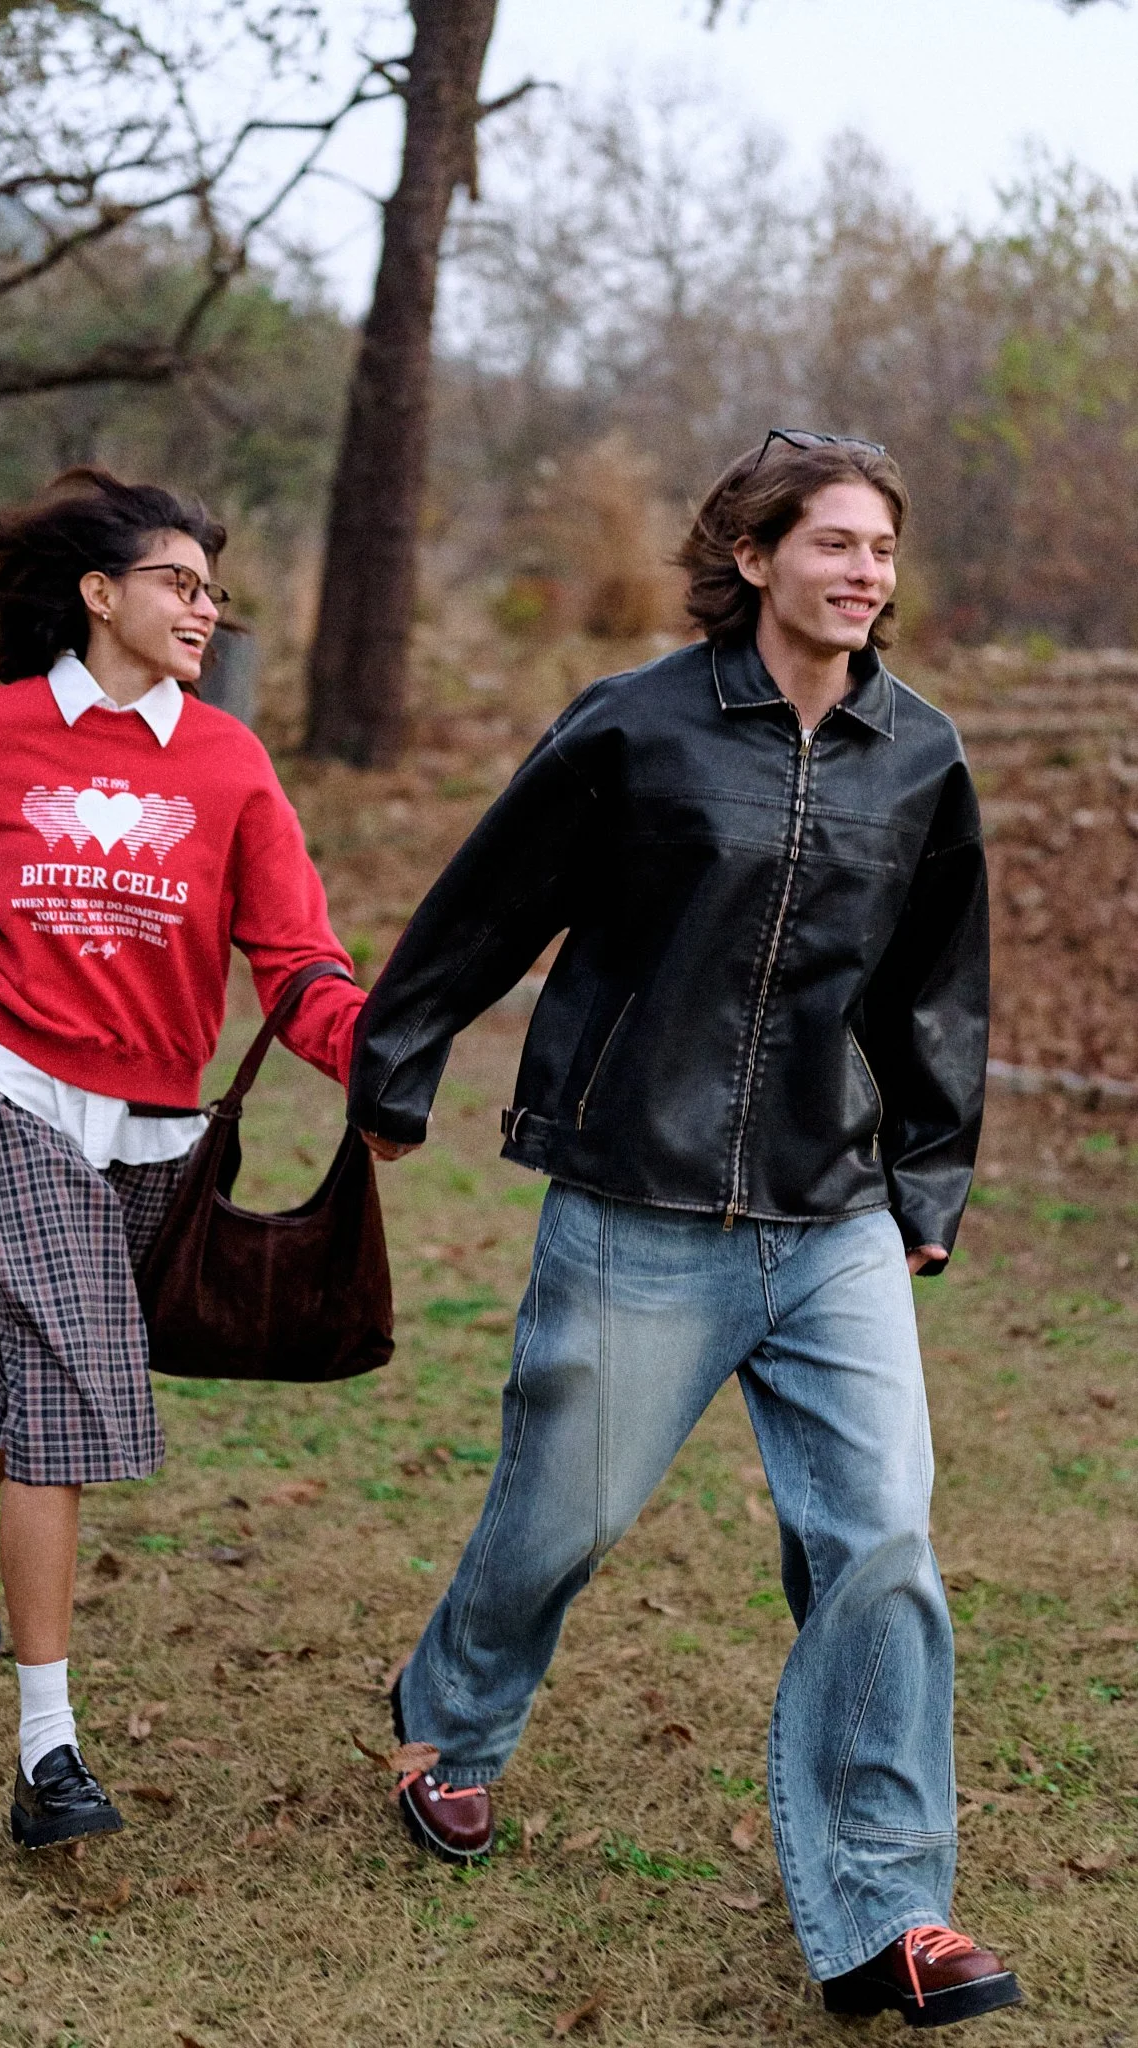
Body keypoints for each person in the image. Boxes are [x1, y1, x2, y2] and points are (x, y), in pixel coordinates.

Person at [350, 433, 1023, 2029]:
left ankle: (890, 1902)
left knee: (882, 1539)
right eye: (836, 544)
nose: (866, 574)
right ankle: (452, 1716)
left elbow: (939, 984)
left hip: (834, 1209)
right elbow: (489, 900)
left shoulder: (917, 755)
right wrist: (400, 1058)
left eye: (883, 550)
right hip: (638, 1199)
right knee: (558, 1518)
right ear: (752, 557)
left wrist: (929, 1180)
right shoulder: (635, 727)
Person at [0, 468, 364, 1852]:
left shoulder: (229, 763)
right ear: (101, 595)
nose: (205, 607)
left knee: (36, 1372)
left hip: (155, 1125)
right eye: (178, 583)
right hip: (9, 1087)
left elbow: (295, 954)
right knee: (80, 1380)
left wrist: (372, 1053)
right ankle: (49, 1752)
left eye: (213, 589)